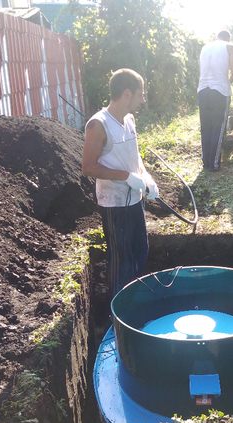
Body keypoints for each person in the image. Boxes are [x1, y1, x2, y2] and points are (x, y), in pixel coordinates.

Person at [81, 68, 158, 300]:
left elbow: (134, 156)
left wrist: (146, 177)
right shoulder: (99, 124)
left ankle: (133, 302)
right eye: (140, 94)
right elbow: (88, 167)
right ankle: (117, 316)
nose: (142, 99)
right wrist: (126, 177)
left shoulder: (129, 119)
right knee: (121, 260)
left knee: (140, 251)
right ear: (127, 94)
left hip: (135, 199)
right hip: (115, 206)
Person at [198, 30, 233, 171]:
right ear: (228, 38)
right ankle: (214, 164)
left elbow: (201, 71)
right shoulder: (229, 46)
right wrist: (227, 82)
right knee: (218, 127)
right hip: (219, 92)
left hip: (202, 90)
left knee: (206, 127)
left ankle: (205, 162)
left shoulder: (205, 48)